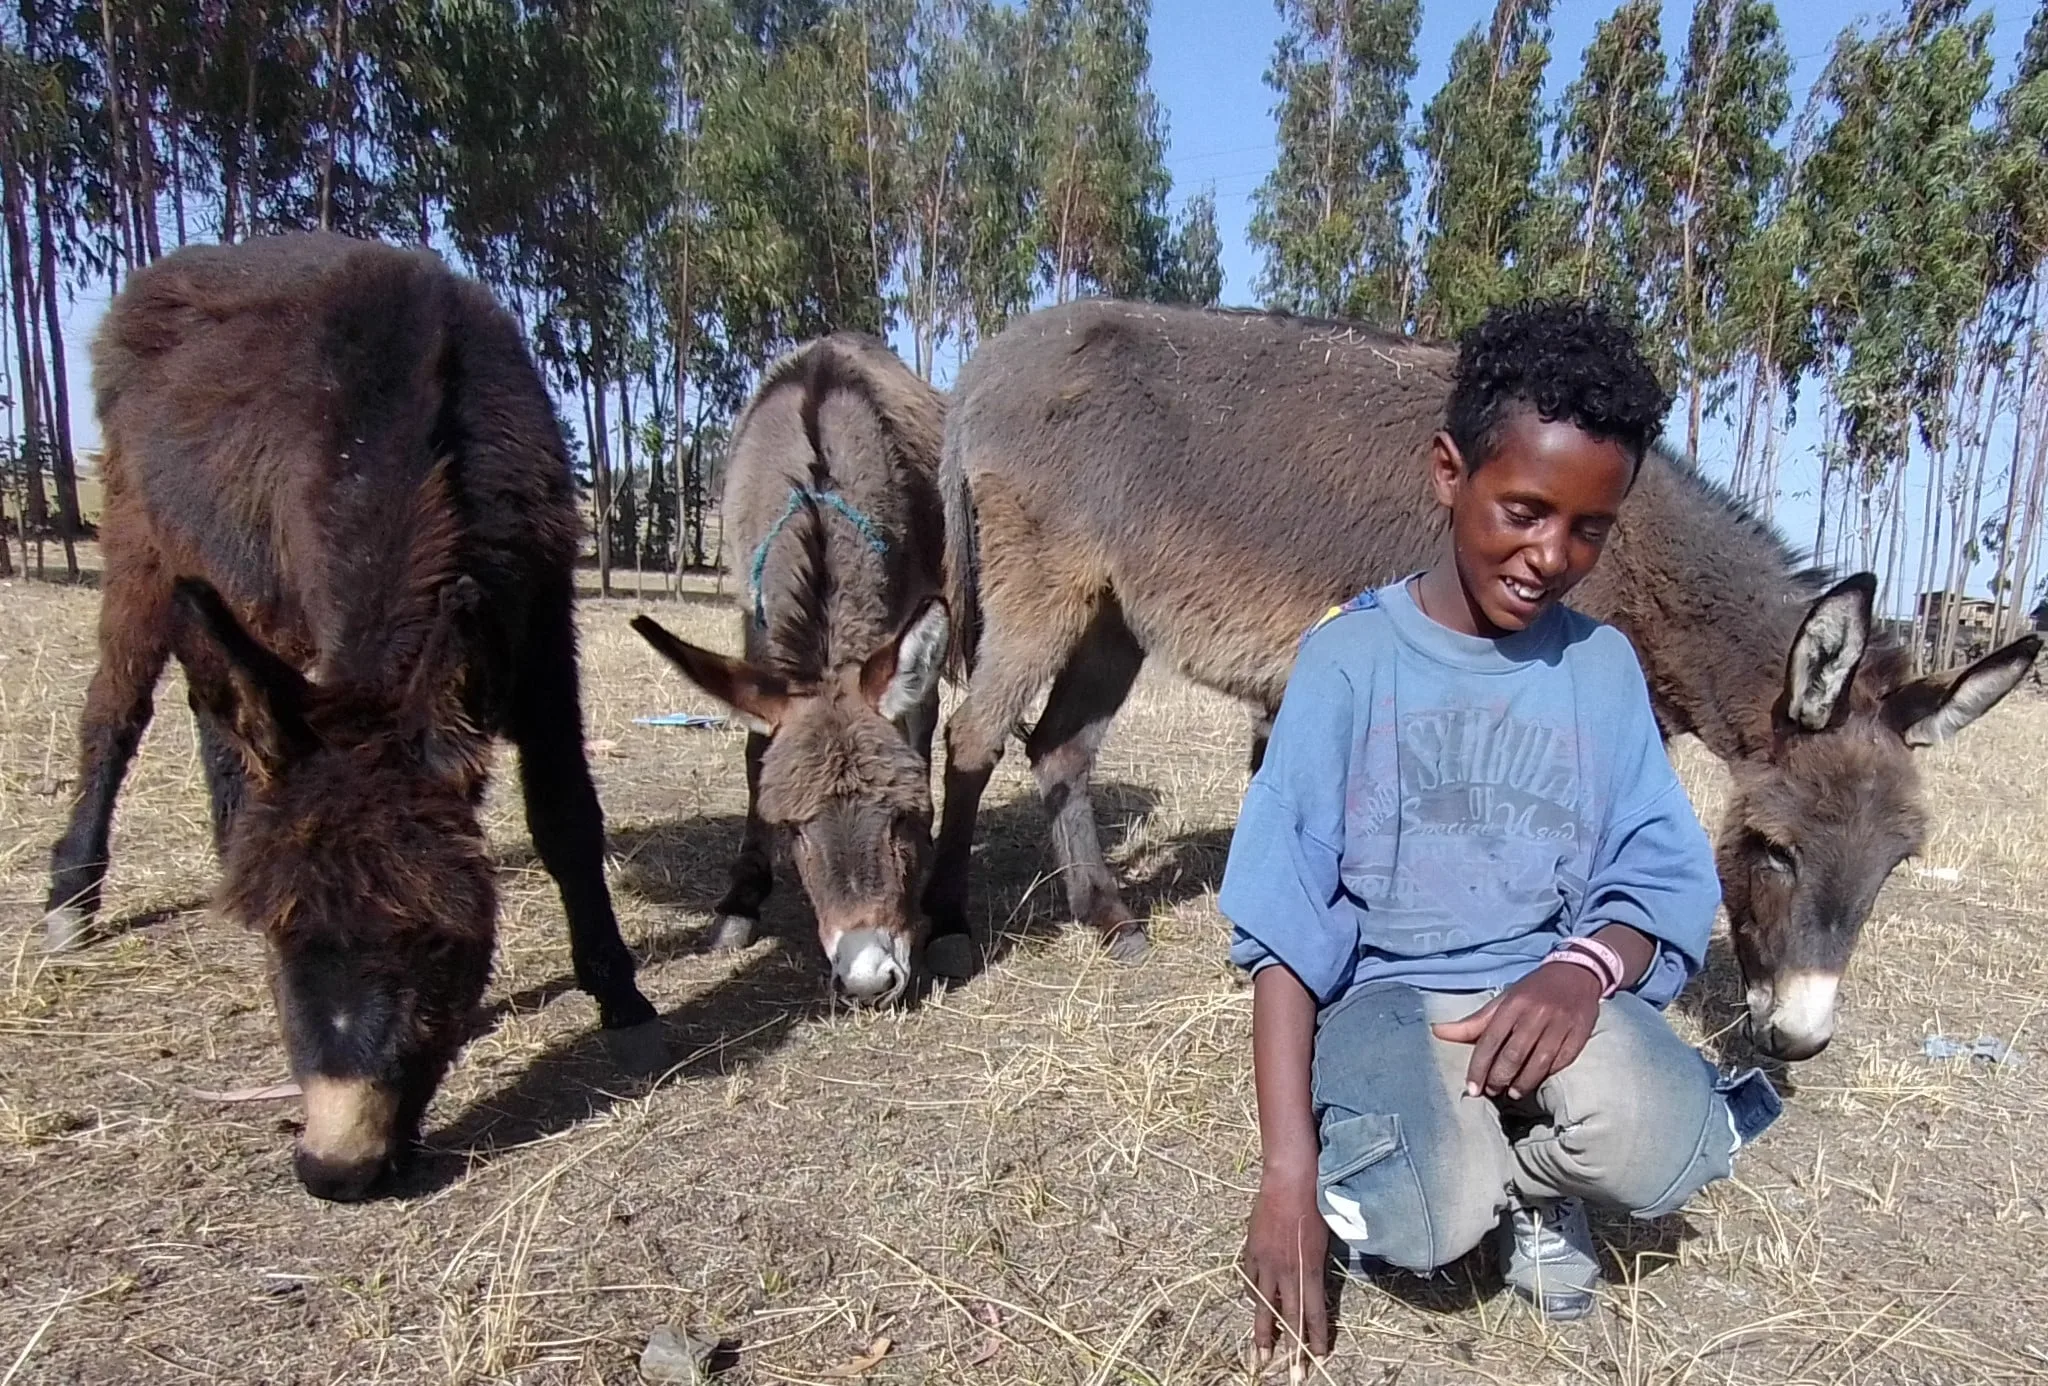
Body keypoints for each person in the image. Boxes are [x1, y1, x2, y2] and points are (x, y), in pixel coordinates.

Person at [1220, 298, 1781, 1368]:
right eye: (1522, 510)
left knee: (1665, 1151)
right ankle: (1457, 1159)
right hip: (1391, 1004)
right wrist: (1284, 1173)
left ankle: (1532, 1182)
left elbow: (1655, 874)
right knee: (1419, 1224)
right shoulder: (1348, 659)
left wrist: (1581, 969)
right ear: (1447, 473)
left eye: (1587, 529)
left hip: (1544, 991)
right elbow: (1285, 921)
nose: (1549, 555)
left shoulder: (1602, 669)